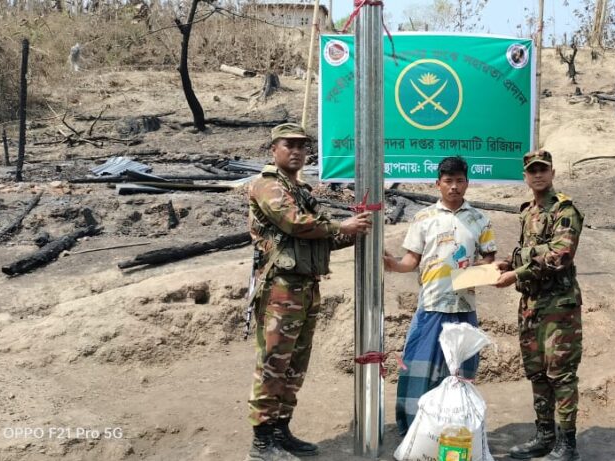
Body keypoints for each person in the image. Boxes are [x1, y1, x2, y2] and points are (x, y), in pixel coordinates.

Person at [246, 123, 372, 461]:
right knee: (273, 364)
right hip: (280, 292)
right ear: (274, 149)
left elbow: (323, 237)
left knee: (295, 365)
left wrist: (356, 229)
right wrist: (340, 225)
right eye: (291, 145)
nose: (299, 151)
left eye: (303, 146)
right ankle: (261, 441)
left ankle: (280, 429)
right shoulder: (267, 187)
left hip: (305, 290)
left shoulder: (300, 191)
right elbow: (294, 223)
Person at [383, 156, 498, 436]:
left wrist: (471, 273)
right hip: (431, 305)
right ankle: (413, 429)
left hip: (464, 307)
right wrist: (392, 264)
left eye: (460, 180)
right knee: (418, 366)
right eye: (448, 181)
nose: (454, 187)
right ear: (438, 184)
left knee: (461, 370)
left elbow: (490, 261)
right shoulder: (423, 219)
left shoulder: (480, 219)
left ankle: (455, 428)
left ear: (467, 183)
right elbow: (411, 260)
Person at [495, 150, 584, 461]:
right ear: (525, 176)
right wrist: (510, 262)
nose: (537, 175)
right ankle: (545, 437)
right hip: (531, 303)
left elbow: (560, 255)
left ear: (553, 172)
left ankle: (567, 445)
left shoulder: (564, 209)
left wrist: (516, 272)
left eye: (543, 170)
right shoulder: (527, 211)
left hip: (559, 305)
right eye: (532, 171)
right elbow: (532, 251)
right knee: (536, 373)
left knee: (561, 374)